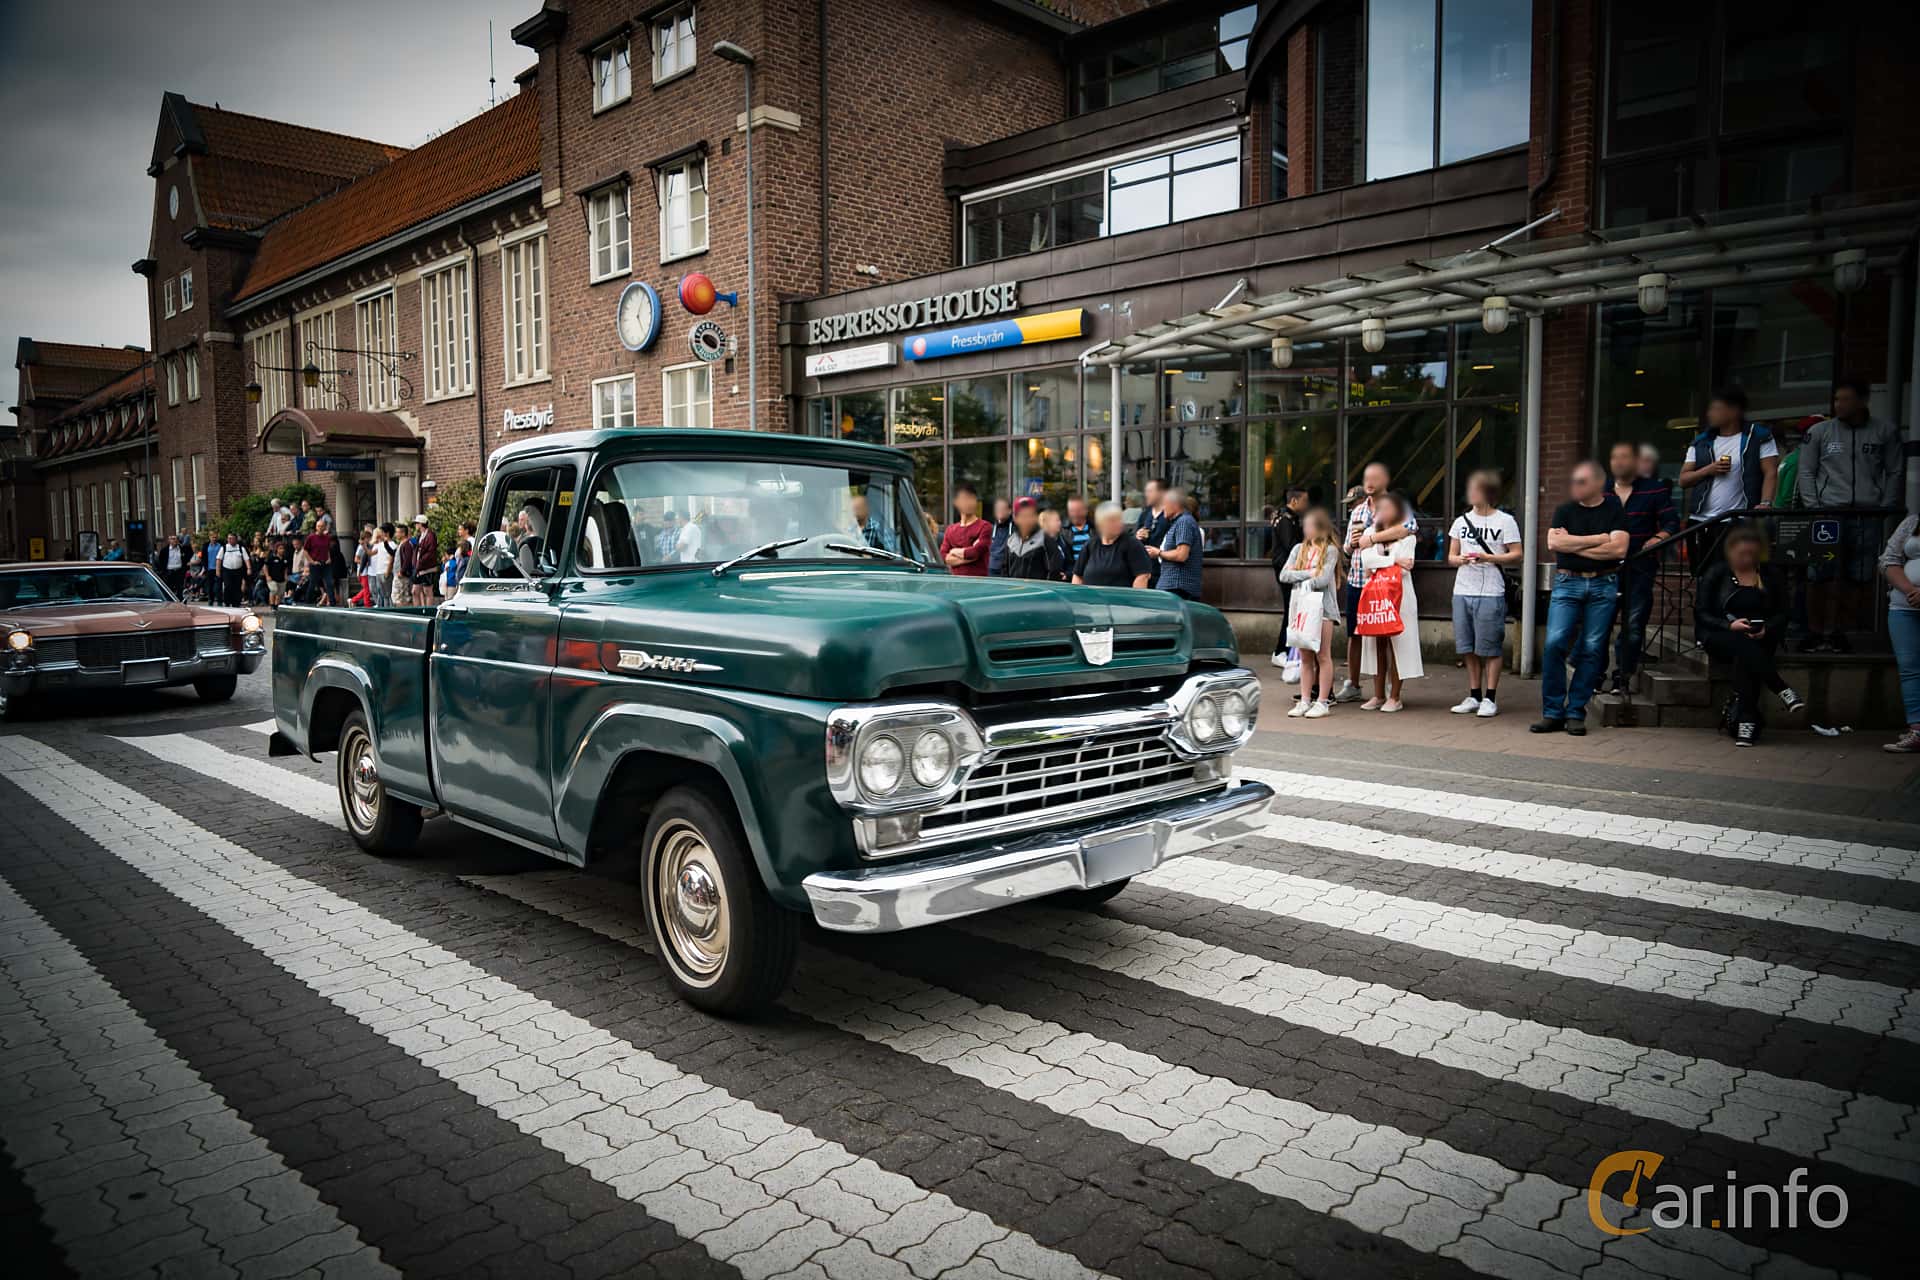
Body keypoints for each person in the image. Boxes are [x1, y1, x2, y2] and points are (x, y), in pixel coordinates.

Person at [1802, 377, 1906, 653]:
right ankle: (1814, 632)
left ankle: (1840, 632)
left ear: (1862, 401)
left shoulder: (1885, 431)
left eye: (1845, 399)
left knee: (1858, 576)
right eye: (1837, 399)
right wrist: (1814, 507)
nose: (1839, 405)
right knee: (1819, 573)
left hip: (1866, 513)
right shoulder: (1819, 432)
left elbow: (1895, 470)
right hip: (1827, 513)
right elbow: (1807, 471)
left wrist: (1886, 505)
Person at [1533, 461, 1628, 736]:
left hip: (1604, 584)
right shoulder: (1564, 510)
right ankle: (1552, 712)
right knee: (1554, 643)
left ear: (1599, 483)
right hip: (1567, 583)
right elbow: (1554, 544)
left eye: (1581, 481)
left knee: (1593, 647)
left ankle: (1575, 711)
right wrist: (1599, 539)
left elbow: (1619, 549)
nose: (1575, 486)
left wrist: (1574, 544)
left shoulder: (1613, 509)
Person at [1696, 527, 1802, 747]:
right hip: (1721, 634)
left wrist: (1767, 628)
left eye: (1751, 554)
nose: (1746, 559)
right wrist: (1729, 624)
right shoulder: (1717, 573)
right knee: (1743, 645)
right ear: (1731, 551)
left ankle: (1746, 722)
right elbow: (1702, 613)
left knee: (1745, 657)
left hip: (1760, 636)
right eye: (1741, 554)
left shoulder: (1770, 574)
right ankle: (1781, 689)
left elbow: (1783, 612)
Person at [1337, 463, 1419, 703]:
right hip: (1358, 579)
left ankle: (1393, 694)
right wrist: (1353, 543)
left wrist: (1371, 538)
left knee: (1390, 636)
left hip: (1387, 582)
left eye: (1375, 478)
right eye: (1366, 479)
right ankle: (1356, 685)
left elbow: (1409, 529)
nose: (1369, 483)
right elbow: (1347, 548)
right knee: (1357, 633)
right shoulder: (1358, 511)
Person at [1603, 440, 1678, 695]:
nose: (1619, 462)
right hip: (1604, 569)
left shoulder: (1654, 491)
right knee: (1600, 625)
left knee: (1633, 626)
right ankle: (1594, 677)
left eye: (1624, 457)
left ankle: (1621, 679)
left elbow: (1671, 523)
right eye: (1614, 457)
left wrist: (1654, 541)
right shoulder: (1601, 491)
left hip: (1641, 568)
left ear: (1635, 462)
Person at [1446, 470, 1522, 718]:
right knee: (1467, 645)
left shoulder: (1505, 521)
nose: (1471, 493)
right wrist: (1462, 560)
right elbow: (1451, 557)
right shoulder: (1460, 522)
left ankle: (1491, 697)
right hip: (1462, 589)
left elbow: (1517, 554)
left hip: (1491, 590)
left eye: (1475, 489)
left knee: (1490, 646)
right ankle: (1474, 694)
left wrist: (1488, 557)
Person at [1678, 385, 1777, 573]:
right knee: (1703, 574)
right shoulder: (1702, 441)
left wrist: (1765, 503)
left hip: (1738, 520)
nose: (1710, 414)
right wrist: (1708, 469)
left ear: (1734, 410)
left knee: (1736, 572)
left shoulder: (1757, 437)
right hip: (1701, 520)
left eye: (1716, 408)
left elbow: (1770, 472)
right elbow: (1683, 480)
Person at [1356, 491, 1422, 711]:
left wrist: (1382, 561)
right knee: (1376, 644)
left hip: (1400, 596)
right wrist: (1393, 559)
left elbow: (1407, 565)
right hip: (1376, 597)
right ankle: (1377, 695)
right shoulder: (1369, 532)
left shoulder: (1408, 536)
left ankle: (1395, 695)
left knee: (1398, 646)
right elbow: (1367, 560)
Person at [1279, 507, 1340, 719]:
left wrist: (1303, 577)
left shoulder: (1331, 550)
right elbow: (1284, 575)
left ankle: (1322, 701)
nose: (1304, 529)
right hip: (1301, 607)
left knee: (1322, 655)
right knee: (1305, 656)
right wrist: (1309, 573)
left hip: (1323, 609)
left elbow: (1323, 580)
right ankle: (1305, 700)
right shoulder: (1298, 549)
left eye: (1308, 525)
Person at [1881, 513, 1920, 753]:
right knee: (1909, 668)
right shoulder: (1912, 522)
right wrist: (1911, 591)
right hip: (1903, 608)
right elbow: (1889, 559)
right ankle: (1917, 730)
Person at [1267, 486, 1308, 665]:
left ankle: (1287, 649)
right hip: (1287, 570)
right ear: (1294, 501)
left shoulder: (1290, 518)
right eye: (1304, 501)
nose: (1306, 504)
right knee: (1290, 609)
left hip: (1290, 569)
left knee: (1293, 609)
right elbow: (1292, 545)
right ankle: (1281, 650)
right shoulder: (1285, 520)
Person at [1074, 501, 1151, 588]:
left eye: (1119, 519)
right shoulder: (1091, 544)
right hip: (1091, 600)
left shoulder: (1132, 544)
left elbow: (1143, 576)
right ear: (1101, 523)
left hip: (1121, 600)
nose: (1118, 523)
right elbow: (1077, 575)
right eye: (1112, 521)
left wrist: (1135, 599)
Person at [1150, 488, 1203, 601]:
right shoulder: (1181, 522)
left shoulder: (1184, 522)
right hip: (1174, 587)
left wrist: (1158, 553)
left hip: (1178, 588)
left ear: (1175, 504)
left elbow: (1181, 555)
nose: (1162, 508)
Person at [999, 498, 1069, 581]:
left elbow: (1054, 571)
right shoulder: (1011, 541)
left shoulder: (1045, 540)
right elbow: (1004, 570)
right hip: (1014, 591)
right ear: (1015, 517)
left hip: (1037, 592)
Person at [939, 483, 991, 576]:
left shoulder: (984, 526)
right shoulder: (950, 529)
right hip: (957, 584)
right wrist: (970, 556)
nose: (969, 502)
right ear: (956, 502)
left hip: (978, 583)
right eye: (965, 499)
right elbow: (943, 556)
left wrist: (953, 551)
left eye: (972, 498)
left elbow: (976, 552)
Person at [1136, 478, 1172, 586]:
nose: (1146, 494)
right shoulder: (1145, 514)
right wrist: (1138, 536)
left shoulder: (1171, 514)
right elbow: (1135, 542)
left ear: (1162, 493)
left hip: (1166, 570)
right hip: (1146, 570)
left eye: (1150, 491)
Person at [303, 518, 335, 606]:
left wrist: (329, 558)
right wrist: (312, 561)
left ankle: (332, 603)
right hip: (315, 563)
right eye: (318, 526)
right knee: (312, 583)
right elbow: (305, 551)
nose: (320, 528)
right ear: (316, 527)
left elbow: (327, 549)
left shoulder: (327, 538)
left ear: (325, 527)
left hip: (325, 563)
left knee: (329, 582)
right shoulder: (311, 537)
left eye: (322, 526)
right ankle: (307, 602)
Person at [411, 515, 440, 605]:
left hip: (427, 567)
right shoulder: (421, 535)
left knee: (427, 591)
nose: (415, 525)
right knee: (415, 591)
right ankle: (418, 611)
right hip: (419, 567)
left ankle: (427, 610)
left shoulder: (430, 535)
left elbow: (431, 552)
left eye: (416, 523)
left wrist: (421, 561)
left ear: (421, 524)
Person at [216, 534, 250, 607]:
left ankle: (236, 603)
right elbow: (219, 559)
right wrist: (218, 570)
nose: (230, 540)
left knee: (237, 587)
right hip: (227, 571)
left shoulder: (241, 548)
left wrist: (249, 568)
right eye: (229, 538)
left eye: (232, 538)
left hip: (238, 571)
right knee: (228, 586)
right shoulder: (224, 548)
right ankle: (227, 602)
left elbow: (246, 559)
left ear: (236, 539)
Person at [986, 497, 1013, 576]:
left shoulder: (1015, 529)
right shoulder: (989, 528)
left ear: (1009, 511)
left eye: (1002, 508)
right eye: (997, 508)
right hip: (990, 571)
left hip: (1007, 572)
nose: (1000, 511)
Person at [1063, 497, 1093, 566]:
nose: (1075, 514)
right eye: (1072, 510)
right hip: (1072, 573)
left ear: (1086, 510)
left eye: (1078, 510)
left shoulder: (1096, 530)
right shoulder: (1063, 531)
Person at [266, 539, 290, 609]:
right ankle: (272, 604)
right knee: (274, 590)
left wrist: (286, 576)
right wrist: (267, 576)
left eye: (283, 549)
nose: (282, 550)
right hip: (272, 578)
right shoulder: (271, 557)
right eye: (280, 549)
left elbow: (285, 568)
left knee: (280, 593)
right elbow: (265, 567)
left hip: (281, 578)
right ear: (276, 549)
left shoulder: (285, 559)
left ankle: (277, 605)